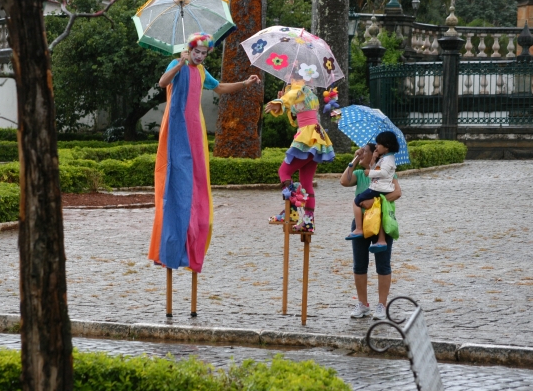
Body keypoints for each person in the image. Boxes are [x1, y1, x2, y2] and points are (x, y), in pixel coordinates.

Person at [148, 32, 261, 273]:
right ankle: (170, 242)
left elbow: (219, 87)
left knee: (197, 182)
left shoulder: (201, 71)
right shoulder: (177, 64)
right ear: (189, 50)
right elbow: (163, 83)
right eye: (196, 52)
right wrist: (179, 64)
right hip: (176, 129)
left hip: (195, 131)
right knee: (175, 180)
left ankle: (191, 237)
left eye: (203, 53)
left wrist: (245, 83)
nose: (199, 56)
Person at [340, 143, 402, 320]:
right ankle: (362, 304)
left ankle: (382, 305)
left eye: (364, 151)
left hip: (381, 222)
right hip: (360, 224)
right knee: (359, 265)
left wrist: (374, 203)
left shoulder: (386, 173)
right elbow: (344, 181)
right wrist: (354, 159)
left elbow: (397, 192)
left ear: (374, 153)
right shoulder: (360, 174)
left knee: (383, 264)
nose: (361, 154)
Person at [264, 78, 335, 233]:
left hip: (307, 135)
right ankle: (308, 221)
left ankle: (291, 210)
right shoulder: (310, 93)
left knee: (284, 171)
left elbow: (293, 95)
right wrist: (284, 100)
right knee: (306, 182)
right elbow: (295, 118)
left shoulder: (299, 88)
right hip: (314, 135)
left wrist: (281, 101)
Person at [345, 131, 400, 251]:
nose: (376, 146)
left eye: (378, 144)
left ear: (386, 146)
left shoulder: (387, 160)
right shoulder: (362, 172)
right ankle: (381, 240)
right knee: (380, 213)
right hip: (375, 203)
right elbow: (344, 181)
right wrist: (357, 159)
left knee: (357, 200)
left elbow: (384, 175)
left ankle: (359, 228)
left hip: (378, 189)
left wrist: (370, 173)